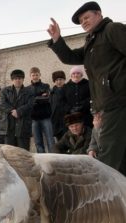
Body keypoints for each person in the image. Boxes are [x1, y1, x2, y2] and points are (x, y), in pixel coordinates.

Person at [47, 1, 126, 172]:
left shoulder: (112, 30)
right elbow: (70, 57)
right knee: (119, 154)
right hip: (105, 104)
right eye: (81, 20)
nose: (83, 22)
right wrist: (57, 40)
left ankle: (109, 196)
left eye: (86, 17)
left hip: (117, 102)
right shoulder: (92, 41)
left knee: (108, 158)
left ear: (99, 14)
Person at [0, 69, 34, 150]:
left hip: (23, 126)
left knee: (23, 152)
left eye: (20, 78)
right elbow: (2, 103)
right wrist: (12, 111)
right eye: (15, 78)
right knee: (10, 152)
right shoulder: (5, 91)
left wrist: (19, 111)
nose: (17, 80)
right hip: (9, 126)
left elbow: (30, 104)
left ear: (23, 79)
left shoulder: (29, 91)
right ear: (12, 80)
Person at [28, 67, 55, 153]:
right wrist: (39, 97)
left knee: (50, 140)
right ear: (30, 76)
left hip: (45, 117)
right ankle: (42, 160)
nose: (35, 77)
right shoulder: (27, 89)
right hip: (34, 119)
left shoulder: (46, 86)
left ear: (40, 75)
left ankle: (53, 159)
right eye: (33, 75)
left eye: (36, 75)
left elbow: (46, 99)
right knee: (38, 142)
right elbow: (29, 102)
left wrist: (35, 99)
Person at [50, 70, 67, 140]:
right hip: (56, 121)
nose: (59, 82)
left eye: (60, 79)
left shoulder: (68, 89)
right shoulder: (52, 92)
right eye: (56, 80)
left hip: (66, 120)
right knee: (60, 141)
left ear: (64, 80)